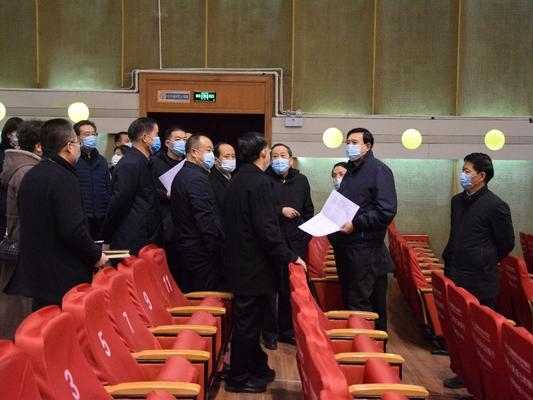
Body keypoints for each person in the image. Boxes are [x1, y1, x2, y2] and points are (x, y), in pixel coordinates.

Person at [221, 132, 306, 394]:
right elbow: (267, 230)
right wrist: (291, 255)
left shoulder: (238, 178)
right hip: (253, 266)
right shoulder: (259, 182)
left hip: (240, 261)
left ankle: (256, 366)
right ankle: (238, 377)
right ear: (263, 153)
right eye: (269, 151)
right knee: (248, 324)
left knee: (251, 321)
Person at [5, 118, 107, 311]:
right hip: (63, 275)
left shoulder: (32, 174)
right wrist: (95, 254)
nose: (78, 146)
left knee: (44, 322)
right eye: (77, 142)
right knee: (66, 325)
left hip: (38, 272)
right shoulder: (63, 177)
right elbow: (73, 229)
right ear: (68, 146)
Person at [441, 152, 514, 389]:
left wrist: (483, 259)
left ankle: (485, 381)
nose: (463, 174)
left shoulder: (496, 206)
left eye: (467, 171)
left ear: (481, 176)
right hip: (455, 273)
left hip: (480, 280)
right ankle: (465, 374)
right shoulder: (457, 201)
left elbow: (506, 243)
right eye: (462, 170)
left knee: (481, 334)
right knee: (460, 331)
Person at [329, 127, 397, 332]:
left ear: (367, 146)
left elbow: (386, 210)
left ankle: (367, 348)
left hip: (365, 247)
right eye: (348, 142)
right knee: (355, 299)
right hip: (347, 245)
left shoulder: (379, 170)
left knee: (360, 302)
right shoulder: (350, 171)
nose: (349, 146)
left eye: (354, 142)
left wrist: (356, 223)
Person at [262, 143, 314, 350]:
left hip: (295, 243)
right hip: (270, 242)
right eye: (274, 156)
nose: (278, 159)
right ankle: (269, 333)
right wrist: (279, 210)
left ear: (291, 159)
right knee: (269, 290)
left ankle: (286, 330)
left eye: (283, 155)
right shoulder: (263, 180)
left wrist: (303, 237)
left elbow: (308, 211)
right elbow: (260, 210)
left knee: (288, 290)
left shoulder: (302, 181)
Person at [0, 120, 42, 338]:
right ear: (38, 146)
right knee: (20, 309)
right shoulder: (27, 172)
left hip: (20, 241)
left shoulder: (22, 168)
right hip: (24, 244)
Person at [170, 134, 223, 291]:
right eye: (208, 150)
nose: (212, 155)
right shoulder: (195, 178)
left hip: (188, 247)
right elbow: (204, 217)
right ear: (194, 152)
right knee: (204, 296)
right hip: (200, 252)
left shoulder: (185, 174)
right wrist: (216, 249)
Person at [103, 117, 162, 256]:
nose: (158, 138)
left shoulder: (145, 161)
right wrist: (106, 236)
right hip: (132, 238)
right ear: (145, 138)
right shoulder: (130, 164)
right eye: (156, 134)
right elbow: (119, 203)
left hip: (145, 235)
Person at [152, 126, 188, 281]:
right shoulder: (155, 162)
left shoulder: (188, 163)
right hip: (165, 220)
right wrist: (165, 194)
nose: (182, 143)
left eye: (185, 139)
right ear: (167, 143)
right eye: (178, 139)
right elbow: (148, 190)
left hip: (185, 221)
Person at [73, 120, 110, 241]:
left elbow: (107, 187)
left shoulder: (102, 160)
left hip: (101, 215)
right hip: (81, 216)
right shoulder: (73, 160)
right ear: (77, 137)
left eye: (93, 134)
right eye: (86, 134)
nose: (91, 137)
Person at [0, 117, 23, 241]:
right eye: (17, 134)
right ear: (9, 134)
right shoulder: (2, 154)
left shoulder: (25, 153)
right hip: (4, 205)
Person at [208, 142, 236, 211]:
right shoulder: (211, 180)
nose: (231, 159)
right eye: (226, 156)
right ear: (216, 160)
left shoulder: (234, 178)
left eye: (233, 156)